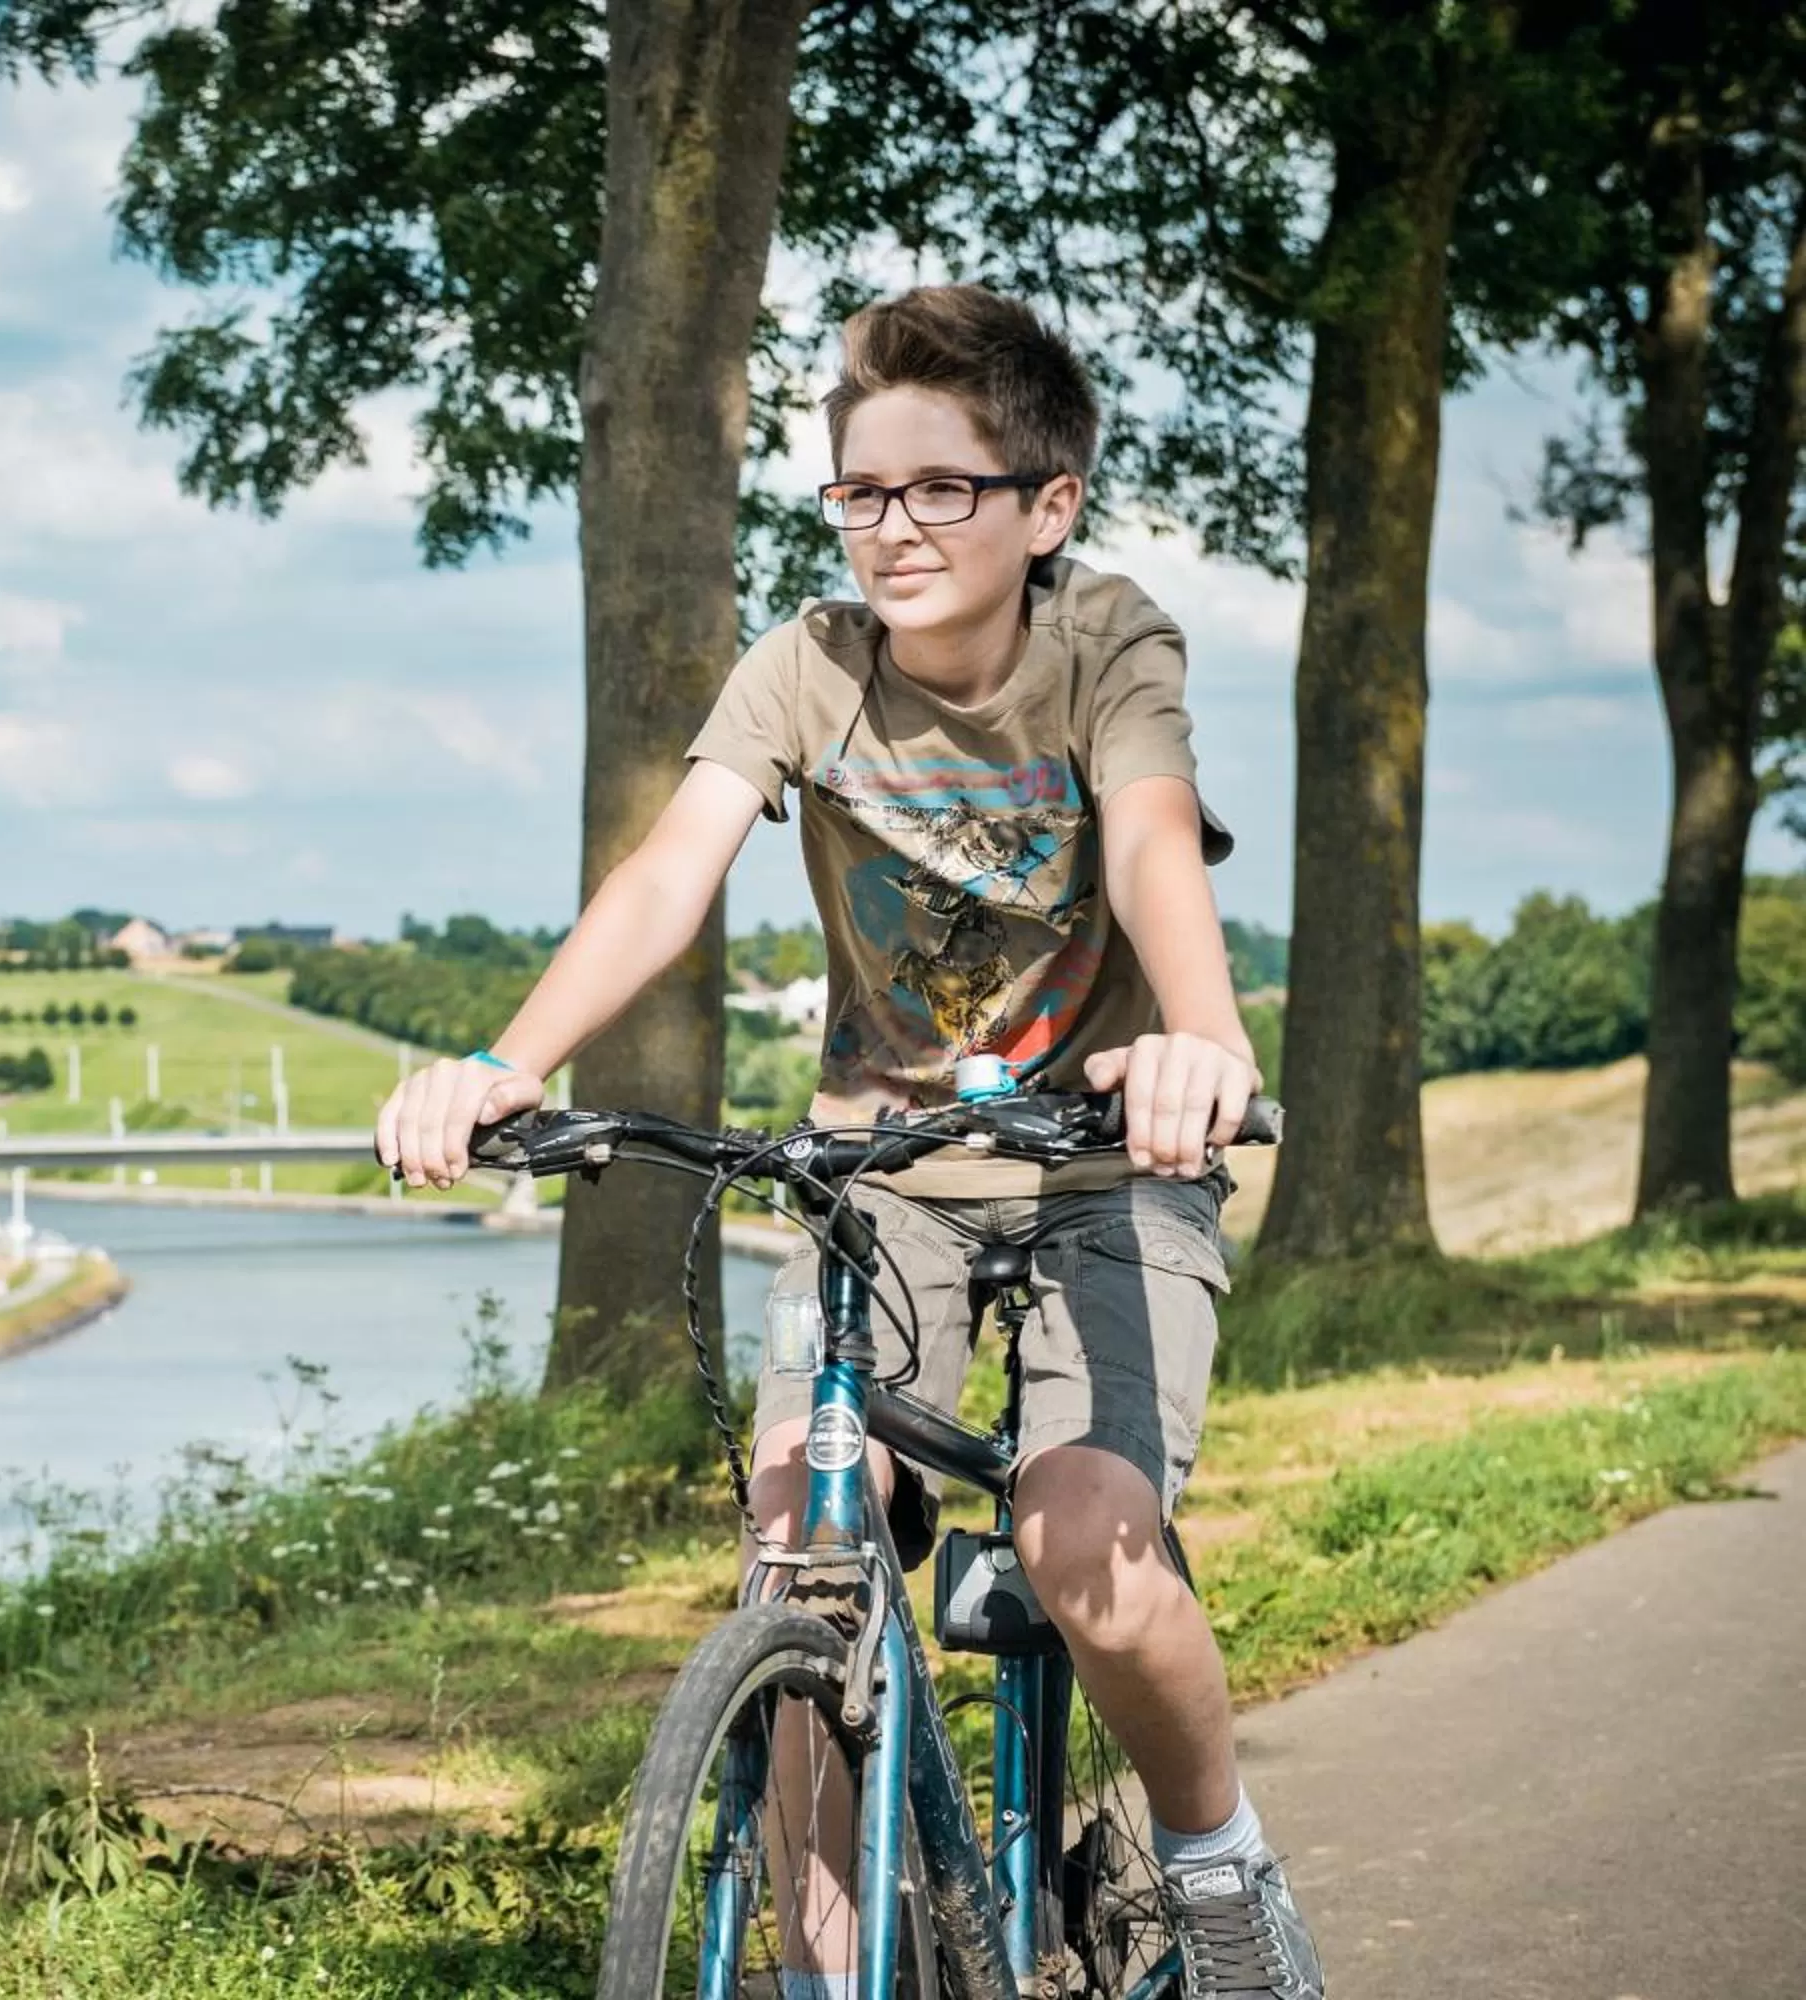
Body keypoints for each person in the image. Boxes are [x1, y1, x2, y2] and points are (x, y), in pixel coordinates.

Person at [374, 284, 1322, 2000]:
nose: (895, 528)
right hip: (873, 1181)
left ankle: (1215, 1864)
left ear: (1047, 507)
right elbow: (671, 870)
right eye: (863, 492)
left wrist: (1206, 1043)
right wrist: (502, 1061)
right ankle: (824, 1966)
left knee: (1077, 1539)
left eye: (943, 488)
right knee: (805, 1545)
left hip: (1108, 1162)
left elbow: (1154, 844)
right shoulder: (807, 667)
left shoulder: (1106, 642)